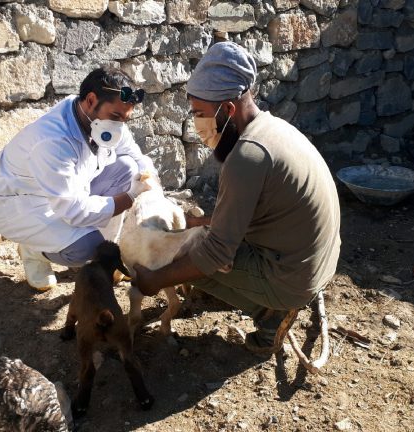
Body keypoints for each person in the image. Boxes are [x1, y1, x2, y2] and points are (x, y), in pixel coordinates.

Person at [132, 42, 342, 352]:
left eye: (201, 114)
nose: (198, 125)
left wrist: (156, 279)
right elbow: (257, 213)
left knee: (183, 255)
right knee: (198, 236)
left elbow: (216, 253)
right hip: (319, 261)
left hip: (294, 279)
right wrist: (200, 220)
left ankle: (270, 316)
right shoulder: (273, 128)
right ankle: (271, 302)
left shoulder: (247, 156)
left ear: (228, 109)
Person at [0, 67, 155, 291]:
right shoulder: (53, 140)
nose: (120, 125)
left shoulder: (98, 117)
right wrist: (130, 198)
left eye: (125, 119)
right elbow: (73, 209)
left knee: (128, 169)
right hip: (20, 206)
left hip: (65, 192)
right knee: (88, 248)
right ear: (91, 100)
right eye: (116, 117)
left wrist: (151, 184)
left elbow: (136, 157)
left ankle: (104, 256)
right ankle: (33, 250)